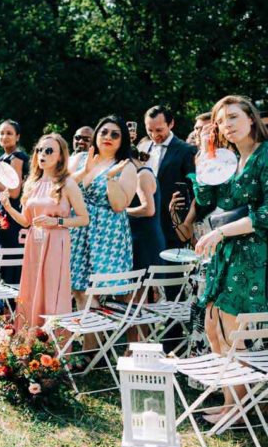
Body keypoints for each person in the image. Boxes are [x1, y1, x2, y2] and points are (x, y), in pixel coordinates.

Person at [192, 95, 268, 421]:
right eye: (222, 121)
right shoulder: (230, 160)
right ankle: (230, 400)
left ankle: (237, 408)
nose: (227, 125)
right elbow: (208, 198)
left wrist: (222, 232)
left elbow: (266, 214)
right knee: (213, 324)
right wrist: (204, 160)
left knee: (232, 327)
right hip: (227, 252)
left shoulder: (265, 157)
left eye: (234, 117)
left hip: (253, 254)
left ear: (251, 118)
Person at [0, 135, 88, 333]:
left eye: (49, 151)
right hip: (34, 242)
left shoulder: (67, 184)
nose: (42, 155)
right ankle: (28, 341)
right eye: (40, 150)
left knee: (52, 289)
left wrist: (56, 221)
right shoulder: (31, 183)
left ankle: (53, 344)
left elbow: (83, 218)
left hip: (57, 241)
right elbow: (26, 221)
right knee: (31, 288)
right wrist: (8, 207)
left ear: (60, 157)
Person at [69, 116, 137, 306]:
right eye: (104, 132)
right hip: (79, 230)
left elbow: (118, 206)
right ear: (96, 134)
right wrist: (83, 171)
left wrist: (110, 179)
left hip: (107, 234)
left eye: (115, 134)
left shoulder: (127, 166)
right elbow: (62, 189)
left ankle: (107, 334)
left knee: (102, 290)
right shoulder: (80, 159)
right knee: (79, 290)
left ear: (122, 139)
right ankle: (89, 334)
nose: (108, 137)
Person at [140, 105, 198, 250]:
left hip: (173, 224)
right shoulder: (142, 149)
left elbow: (195, 190)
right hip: (145, 224)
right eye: (149, 130)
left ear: (171, 124)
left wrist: (185, 222)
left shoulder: (187, 150)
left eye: (159, 130)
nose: (154, 135)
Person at [0, 120, 27, 283]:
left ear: (18, 137)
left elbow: (14, 192)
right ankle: (6, 300)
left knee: (12, 254)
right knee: (4, 251)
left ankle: (14, 298)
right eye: (2, 133)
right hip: (3, 213)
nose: (5, 136)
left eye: (9, 133)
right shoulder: (1, 157)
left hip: (13, 213)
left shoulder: (16, 157)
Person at [126, 141, 165, 273]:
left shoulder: (142, 175)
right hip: (142, 239)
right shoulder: (140, 174)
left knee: (145, 289)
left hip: (146, 241)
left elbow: (148, 209)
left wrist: (123, 212)